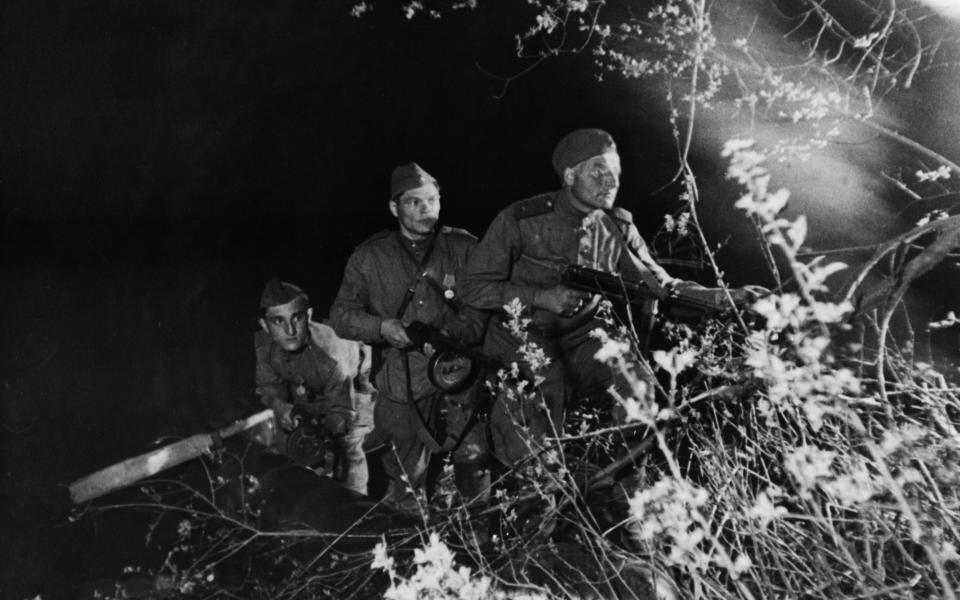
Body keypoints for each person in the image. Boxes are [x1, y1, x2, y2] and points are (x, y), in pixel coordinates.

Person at [459, 128, 759, 466]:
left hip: (583, 340)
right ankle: (537, 505)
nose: (610, 180)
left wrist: (724, 298)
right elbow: (473, 286)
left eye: (615, 171)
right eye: (598, 170)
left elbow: (658, 283)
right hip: (520, 344)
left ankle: (631, 496)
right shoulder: (521, 220)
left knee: (639, 389)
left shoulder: (616, 226)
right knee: (534, 456)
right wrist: (540, 297)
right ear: (570, 175)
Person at [330, 162, 489, 514]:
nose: (425, 209)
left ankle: (479, 536)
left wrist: (454, 334)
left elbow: (484, 306)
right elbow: (342, 316)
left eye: (432, 200)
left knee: (473, 460)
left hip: (459, 373)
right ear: (394, 208)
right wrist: (383, 327)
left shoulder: (463, 247)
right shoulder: (370, 257)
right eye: (414, 202)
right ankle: (414, 541)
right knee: (405, 475)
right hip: (401, 382)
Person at [254, 278, 368, 495]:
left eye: (296, 318)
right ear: (264, 325)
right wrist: (279, 405)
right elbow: (268, 386)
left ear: (309, 315)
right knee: (284, 446)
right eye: (278, 321)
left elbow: (343, 413)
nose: (290, 330)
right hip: (311, 391)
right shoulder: (264, 346)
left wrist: (318, 435)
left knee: (349, 448)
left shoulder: (333, 354)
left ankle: (357, 511)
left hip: (357, 384)